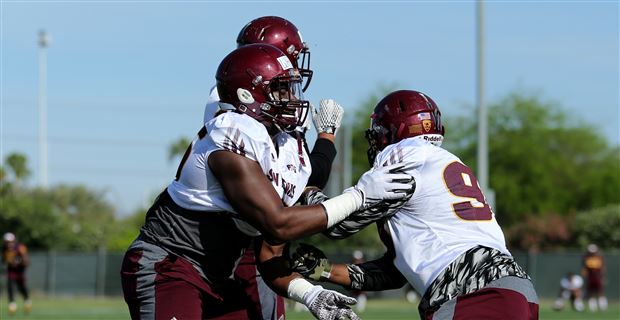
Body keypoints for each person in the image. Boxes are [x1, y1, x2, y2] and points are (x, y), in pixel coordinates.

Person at [120, 45, 415, 320]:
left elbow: (270, 247)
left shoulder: (287, 146)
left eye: (291, 88)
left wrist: (310, 294)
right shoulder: (232, 132)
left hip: (221, 274)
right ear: (248, 95)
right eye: (281, 89)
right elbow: (279, 223)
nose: (292, 97)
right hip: (170, 264)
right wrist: (359, 197)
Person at [290, 90, 540, 320]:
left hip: (475, 295)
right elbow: (398, 271)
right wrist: (326, 271)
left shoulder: (404, 155)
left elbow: (337, 224)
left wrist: (309, 188)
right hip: (513, 289)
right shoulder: (441, 162)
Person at [202, 16, 342, 320]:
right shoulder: (237, 114)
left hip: (251, 231)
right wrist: (327, 140)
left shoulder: (272, 104)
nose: (294, 71)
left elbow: (302, 177)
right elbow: (303, 177)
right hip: (244, 236)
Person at [2, 232, 31, 316]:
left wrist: (19, 262)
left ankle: (27, 300)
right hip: (11, 270)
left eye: (10, 241)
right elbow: (4, 260)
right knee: (10, 286)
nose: (9, 243)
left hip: (20, 271)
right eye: (7, 242)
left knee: (21, 287)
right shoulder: (4, 249)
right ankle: (12, 304)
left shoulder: (20, 247)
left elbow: (26, 261)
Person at [581, 243, 607, 312]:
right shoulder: (586, 258)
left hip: (598, 276)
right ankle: (593, 307)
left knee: (600, 291)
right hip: (590, 277)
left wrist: (603, 277)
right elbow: (584, 269)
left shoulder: (599, 258)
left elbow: (603, 268)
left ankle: (602, 306)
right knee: (591, 292)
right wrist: (585, 276)